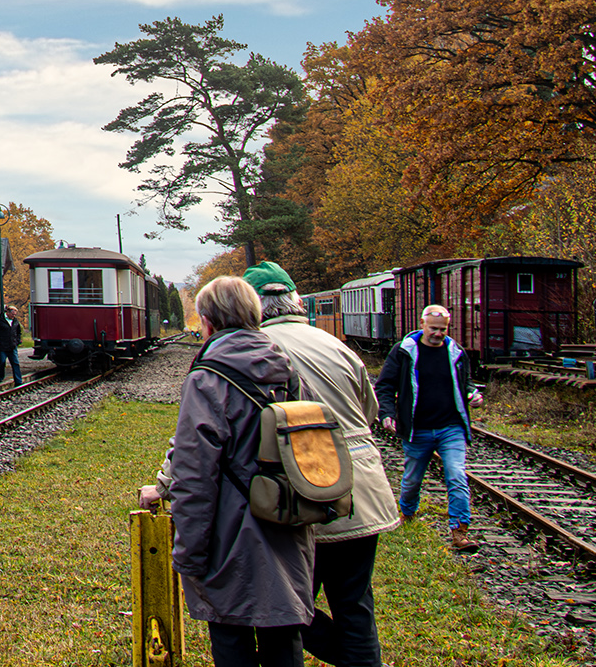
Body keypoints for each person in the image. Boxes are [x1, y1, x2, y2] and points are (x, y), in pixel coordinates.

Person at [243, 261, 400, 667]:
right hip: (359, 491)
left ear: (253, 305)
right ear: (295, 300)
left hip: (297, 498)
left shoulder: (255, 349)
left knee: (289, 612)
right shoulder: (336, 345)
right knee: (355, 604)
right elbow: (368, 412)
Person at [164, 276, 315, 667]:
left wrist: (189, 555)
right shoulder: (286, 369)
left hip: (228, 535)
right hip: (285, 520)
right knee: (284, 637)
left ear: (208, 321)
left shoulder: (207, 378)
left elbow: (194, 477)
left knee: (232, 637)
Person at [376, 304, 485, 552]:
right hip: (417, 429)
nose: (438, 334)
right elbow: (384, 386)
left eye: (443, 329)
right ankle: (408, 514)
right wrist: (387, 414)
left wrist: (473, 395)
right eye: (434, 329)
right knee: (412, 480)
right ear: (422, 325)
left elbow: (465, 383)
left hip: (451, 427)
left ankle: (460, 531)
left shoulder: (456, 352)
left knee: (456, 475)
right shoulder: (404, 352)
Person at [0, 306, 23, 385]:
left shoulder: (15, 321)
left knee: (15, 363)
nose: (13, 316)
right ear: (7, 313)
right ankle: (0, 377)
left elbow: (18, 332)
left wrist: (17, 341)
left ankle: (18, 380)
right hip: (2, 345)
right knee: (2, 362)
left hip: (12, 345)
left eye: (15, 314)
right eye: (12, 314)